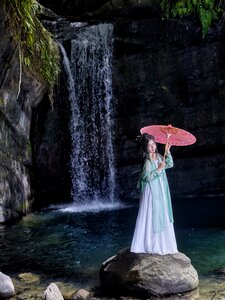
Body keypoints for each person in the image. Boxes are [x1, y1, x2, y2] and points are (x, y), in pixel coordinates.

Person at [130, 133, 178, 255]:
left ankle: (164, 242)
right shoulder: (147, 161)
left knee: (162, 212)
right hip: (151, 192)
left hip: (160, 189)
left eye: (153, 144)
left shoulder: (158, 156)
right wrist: (159, 169)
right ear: (145, 148)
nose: (152, 147)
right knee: (153, 214)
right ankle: (151, 243)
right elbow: (147, 177)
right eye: (149, 146)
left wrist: (167, 151)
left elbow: (170, 164)